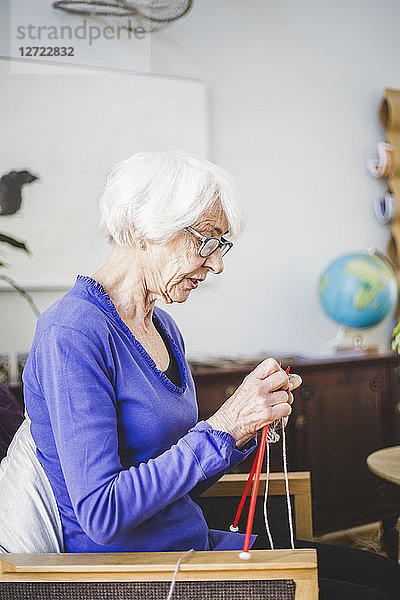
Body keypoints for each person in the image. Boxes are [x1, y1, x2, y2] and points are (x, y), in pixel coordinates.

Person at [16, 151, 400, 598]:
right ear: (143, 231)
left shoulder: (163, 326)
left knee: (386, 575)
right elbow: (103, 514)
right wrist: (222, 427)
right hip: (137, 576)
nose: (217, 264)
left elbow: (179, 477)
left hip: (192, 548)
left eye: (222, 245)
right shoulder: (73, 333)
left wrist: (241, 433)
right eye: (207, 241)